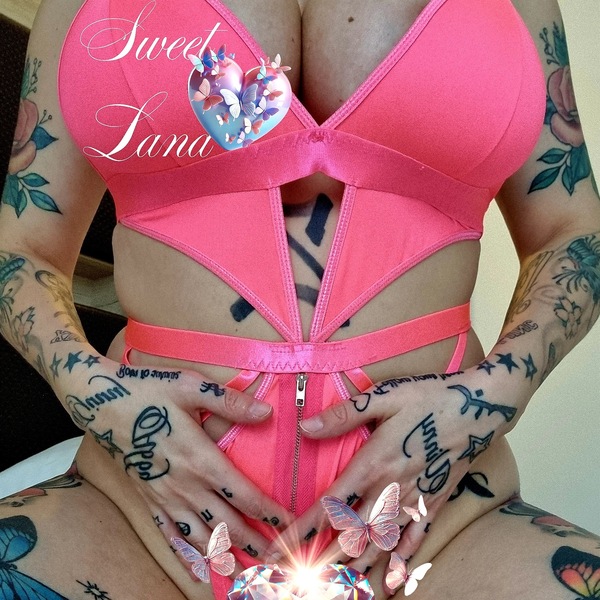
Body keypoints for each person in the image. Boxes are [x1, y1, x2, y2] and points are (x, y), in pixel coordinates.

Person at [1, 0, 599, 598]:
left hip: (440, 520)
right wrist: (99, 398)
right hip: (140, 515)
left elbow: (572, 232)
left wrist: (488, 398)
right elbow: (21, 248)